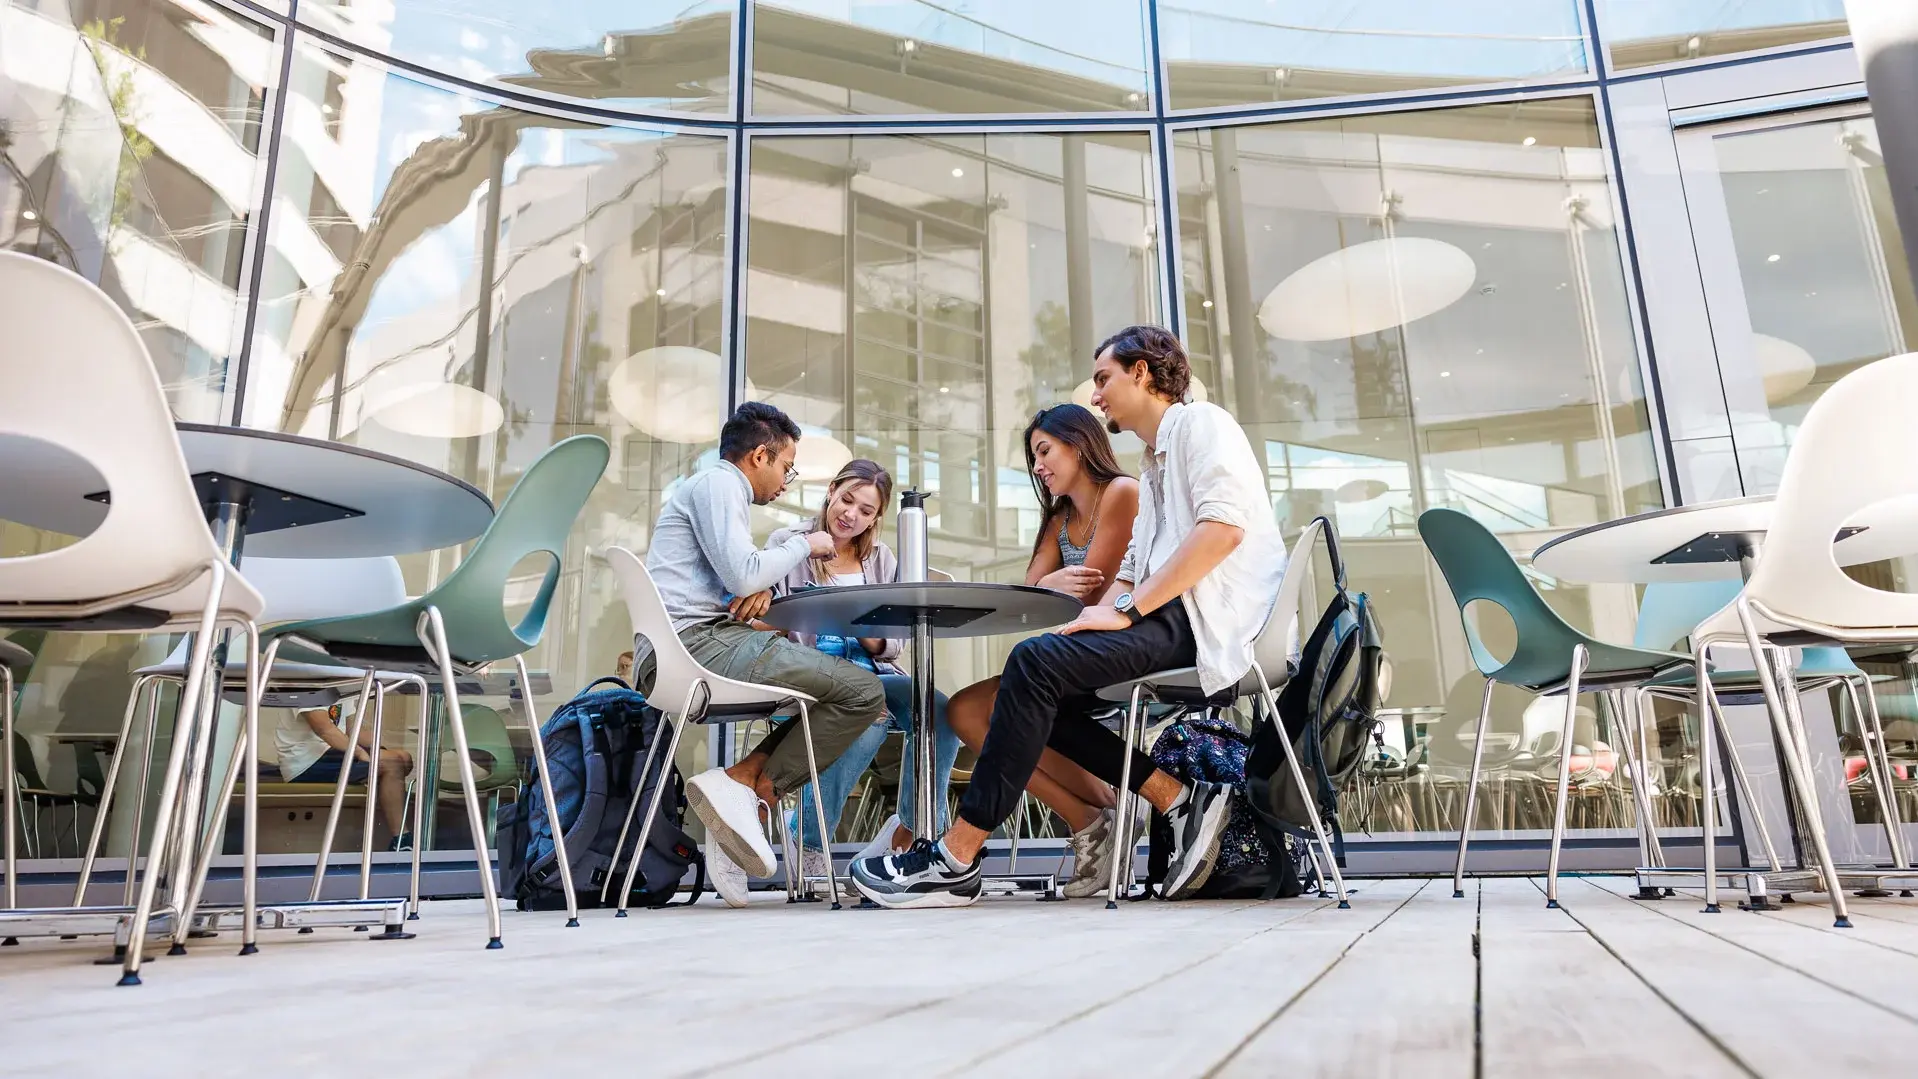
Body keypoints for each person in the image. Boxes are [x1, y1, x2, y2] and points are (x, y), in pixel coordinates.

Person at [850, 325, 1288, 908]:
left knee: (1035, 662)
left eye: (1104, 378)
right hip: (1171, 618)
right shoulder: (1155, 464)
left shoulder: (1201, 425)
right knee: (1038, 677)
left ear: (1143, 372)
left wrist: (1124, 611)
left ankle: (956, 854)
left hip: (1210, 620)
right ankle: (1177, 798)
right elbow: (1132, 568)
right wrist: (1098, 618)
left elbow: (1223, 530)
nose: (1098, 394)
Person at [639, 402, 888, 907]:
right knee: (864, 692)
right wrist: (805, 546)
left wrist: (756, 585)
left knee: (860, 696)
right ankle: (750, 793)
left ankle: (744, 793)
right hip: (697, 646)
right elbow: (744, 575)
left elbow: (744, 579)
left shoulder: (713, 491)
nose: (785, 479)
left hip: (700, 641)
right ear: (758, 456)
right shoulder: (719, 485)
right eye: (785, 466)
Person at [943, 404, 1140, 898]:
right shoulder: (1060, 519)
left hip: (1111, 650)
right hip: (1061, 653)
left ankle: (1112, 816)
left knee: (1008, 707)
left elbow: (1095, 597)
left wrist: (1052, 591)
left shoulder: (1121, 493)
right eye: (1034, 456)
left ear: (1078, 444)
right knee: (965, 711)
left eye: (1044, 451)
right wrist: (1051, 582)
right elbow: (1033, 596)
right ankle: (1094, 819)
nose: (1038, 466)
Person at [754, 459, 960, 881]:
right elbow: (765, 618)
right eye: (847, 500)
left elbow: (896, 642)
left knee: (940, 708)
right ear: (831, 490)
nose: (851, 515)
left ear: (876, 518)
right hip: (815, 673)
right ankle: (809, 838)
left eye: (866, 511)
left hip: (874, 669)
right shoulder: (790, 542)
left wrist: (863, 631)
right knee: (869, 713)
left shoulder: (881, 557)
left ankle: (912, 829)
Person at [275, 696, 415, 850]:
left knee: (403, 759)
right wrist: (363, 755)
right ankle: (401, 840)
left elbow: (352, 731)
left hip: (333, 754)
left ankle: (383, 820)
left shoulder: (342, 686)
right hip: (306, 763)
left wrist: (380, 748)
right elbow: (324, 729)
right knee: (391, 764)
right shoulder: (309, 680)